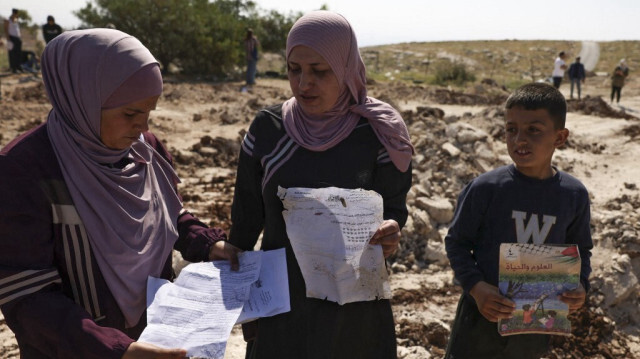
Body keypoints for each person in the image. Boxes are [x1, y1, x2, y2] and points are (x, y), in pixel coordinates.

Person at [0, 28, 242, 358]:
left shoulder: (146, 150)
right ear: (82, 99)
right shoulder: (26, 170)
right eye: (129, 114)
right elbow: (28, 298)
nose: (143, 127)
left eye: (149, 112)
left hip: (157, 337)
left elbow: (169, 216)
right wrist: (116, 350)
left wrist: (208, 243)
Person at [229, 10, 413, 359]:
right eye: (294, 69)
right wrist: (239, 300)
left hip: (353, 308)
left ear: (345, 67)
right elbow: (245, 221)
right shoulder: (268, 130)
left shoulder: (378, 134)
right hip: (281, 306)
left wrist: (390, 232)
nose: (303, 84)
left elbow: (394, 211)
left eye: (319, 71)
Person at [444, 82, 593, 359]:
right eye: (511, 129)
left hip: (536, 326)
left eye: (533, 130)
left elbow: (581, 249)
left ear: (559, 138)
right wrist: (477, 289)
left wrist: (581, 285)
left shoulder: (573, 195)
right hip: (480, 321)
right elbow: (457, 243)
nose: (519, 139)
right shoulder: (486, 188)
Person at [3, 8, 22, 73]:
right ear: (14, 13)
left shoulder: (17, 20)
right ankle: (13, 68)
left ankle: (18, 67)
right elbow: (6, 29)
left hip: (18, 38)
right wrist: (8, 39)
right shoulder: (8, 20)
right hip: (11, 38)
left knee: (18, 53)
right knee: (12, 54)